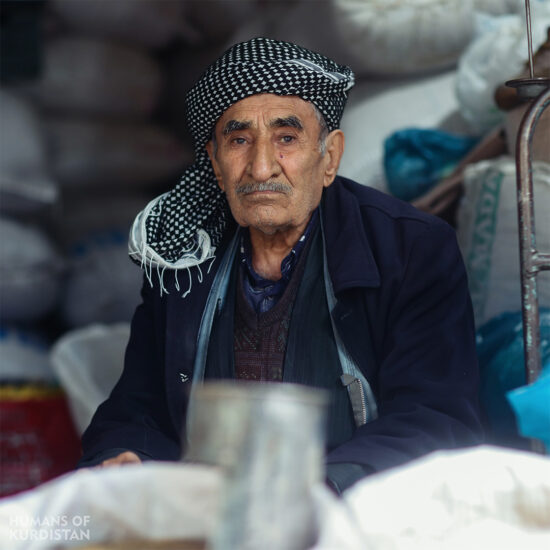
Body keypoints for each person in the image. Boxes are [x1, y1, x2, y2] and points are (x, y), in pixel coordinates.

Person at [79, 38, 484, 493]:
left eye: (286, 138)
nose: (261, 166)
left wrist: (318, 491)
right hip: (210, 516)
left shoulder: (410, 248)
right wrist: (126, 455)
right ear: (215, 163)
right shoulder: (183, 263)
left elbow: (435, 419)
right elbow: (138, 408)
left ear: (328, 157)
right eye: (239, 141)